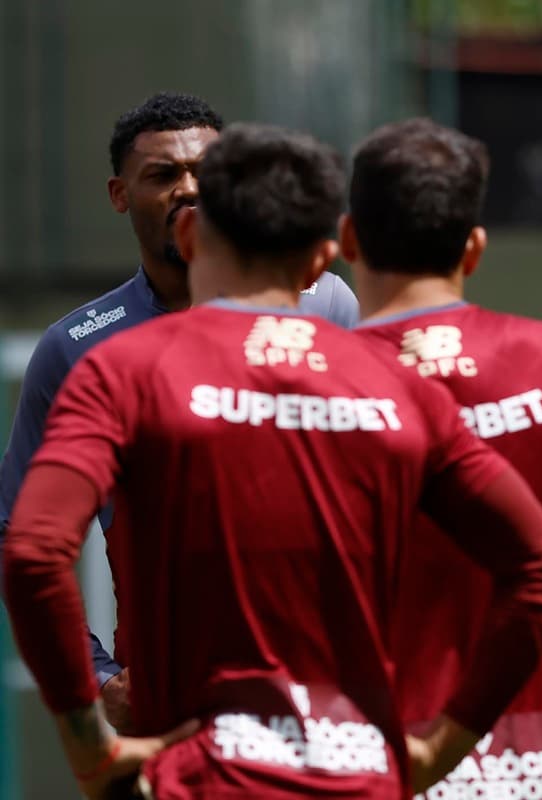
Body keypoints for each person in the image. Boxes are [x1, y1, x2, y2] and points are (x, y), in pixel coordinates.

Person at [3, 122, 542, 799]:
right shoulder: (399, 387)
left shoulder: (122, 370)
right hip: (363, 776)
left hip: (196, 776)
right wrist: (438, 749)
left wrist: (88, 743)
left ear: (190, 239)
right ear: (320, 263)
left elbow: (34, 548)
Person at [0, 91, 359, 731]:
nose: (189, 191)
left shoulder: (326, 304)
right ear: (119, 194)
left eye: (207, 175)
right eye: (163, 176)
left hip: (325, 698)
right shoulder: (78, 350)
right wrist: (98, 676)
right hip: (175, 712)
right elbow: (18, 533)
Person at [344, 118, 542, 800]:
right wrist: (539, 740)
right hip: (535, 773)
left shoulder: (323, 386)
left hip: (374, 771)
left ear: (348, 239)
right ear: (474, 248)